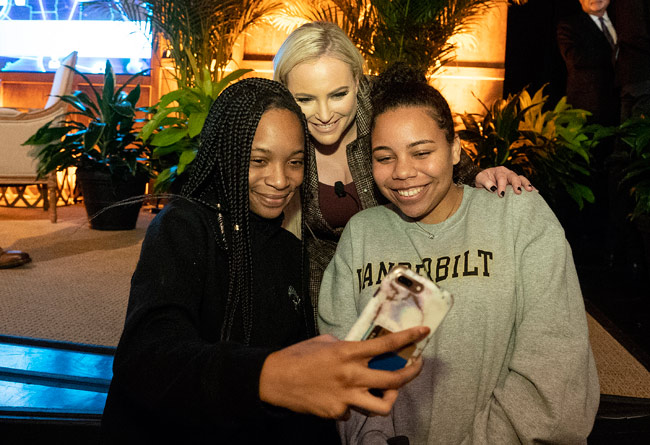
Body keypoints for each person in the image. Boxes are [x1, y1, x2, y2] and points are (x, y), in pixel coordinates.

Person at [100, 78, 430, 444]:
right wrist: (268, 375)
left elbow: (300, 395)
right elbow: (148, 359)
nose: (279, 179)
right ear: (226, 152)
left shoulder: (287, 251)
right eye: (258, 160)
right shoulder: (184, 226)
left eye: (295, 162)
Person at [318, 64, 600, 444]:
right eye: (384, 157)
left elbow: (555, 370)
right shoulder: (365, 234)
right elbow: (351, 367)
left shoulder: (517, 216)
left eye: (421, 152)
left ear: (454, 149)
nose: (403, 172)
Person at [273, 22, 534, 307]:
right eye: (305, 99)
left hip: (415, 260)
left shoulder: (387, 104)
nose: (324, 115)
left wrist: (484, 174)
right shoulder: (281, 131)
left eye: (339, 95)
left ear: (358, 81)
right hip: (325, 280)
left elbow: (437, 151)